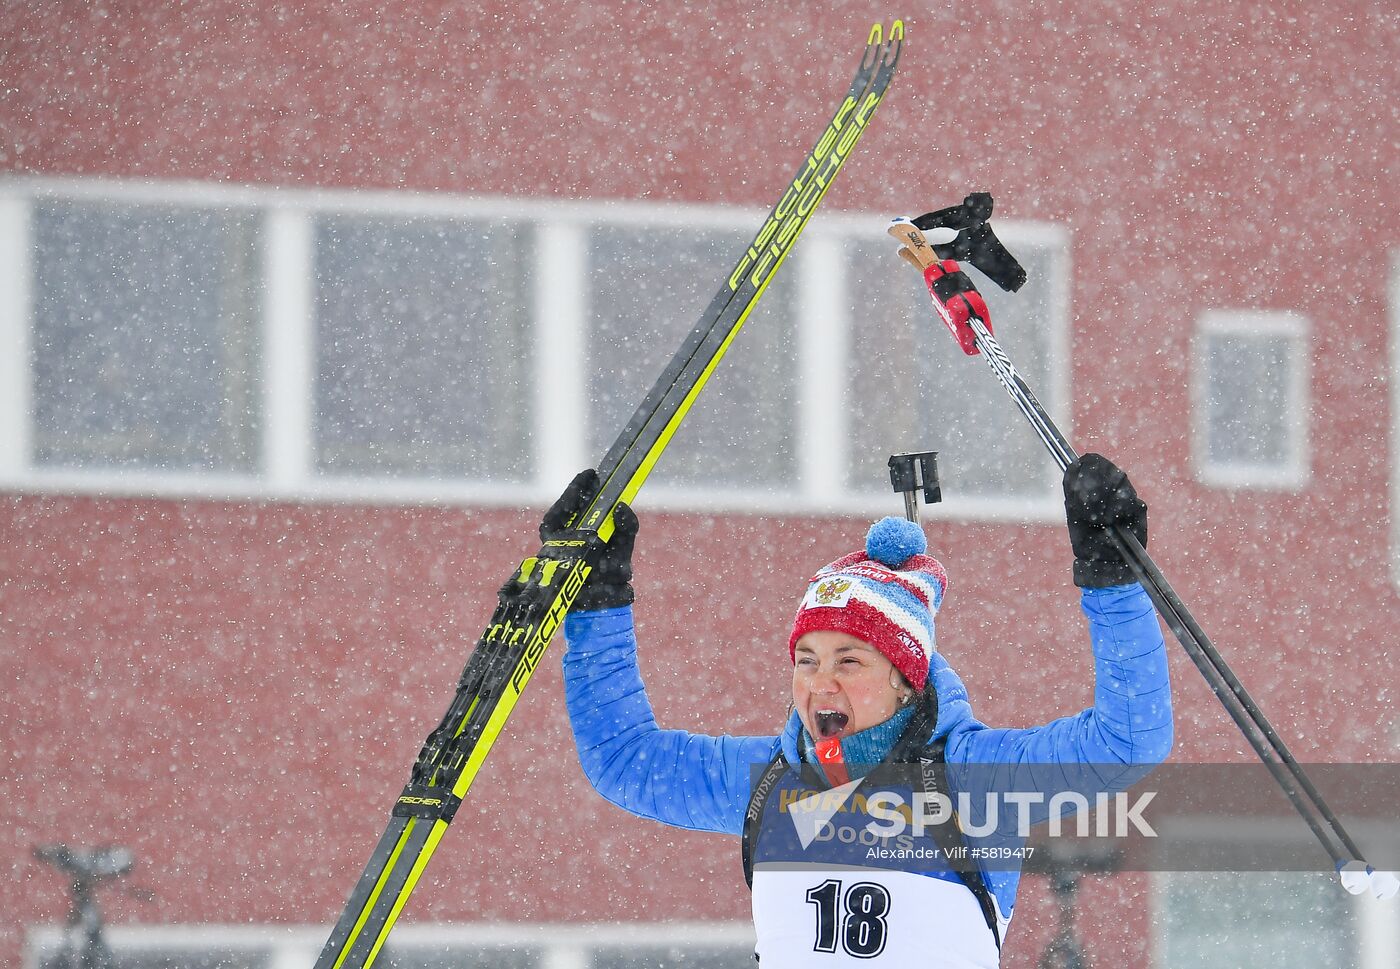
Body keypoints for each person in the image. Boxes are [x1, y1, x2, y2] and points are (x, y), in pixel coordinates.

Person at [555, 454, 1172, 967]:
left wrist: (1112, 582)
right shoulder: (770, 782)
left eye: (848, 661)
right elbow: (625, 759)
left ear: (905, 680)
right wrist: (597, 605)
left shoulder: (974, 783)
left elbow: (1127, 742)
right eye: (806, 659)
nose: (820, 683)